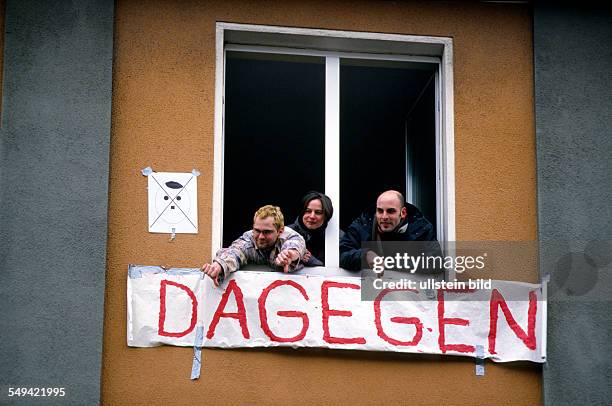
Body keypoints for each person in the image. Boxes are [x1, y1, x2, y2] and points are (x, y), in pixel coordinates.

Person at [201, 205, 306, 286]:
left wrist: (291, 255)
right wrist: (219, 266)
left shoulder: (289, 237)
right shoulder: (249, 239)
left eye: (267, 232)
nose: (260, 237)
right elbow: (235, 251)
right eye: (257, 230)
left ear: (280, 231)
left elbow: (295, 244)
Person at [339, 190, 441, 271]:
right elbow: (342, 255)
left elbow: (436, 263)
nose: (384, 217)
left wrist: (390, 263)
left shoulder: (421, 228)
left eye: (390, 211)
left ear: (403, 213)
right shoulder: (363, 224)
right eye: (380, 211)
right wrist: (365, 256)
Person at [286, 191, 342, 266]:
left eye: (318, 212)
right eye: (308, 211)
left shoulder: (338, 238)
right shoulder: (286, 233)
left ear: (326, 216)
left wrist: (312, 261)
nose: (312, 216)